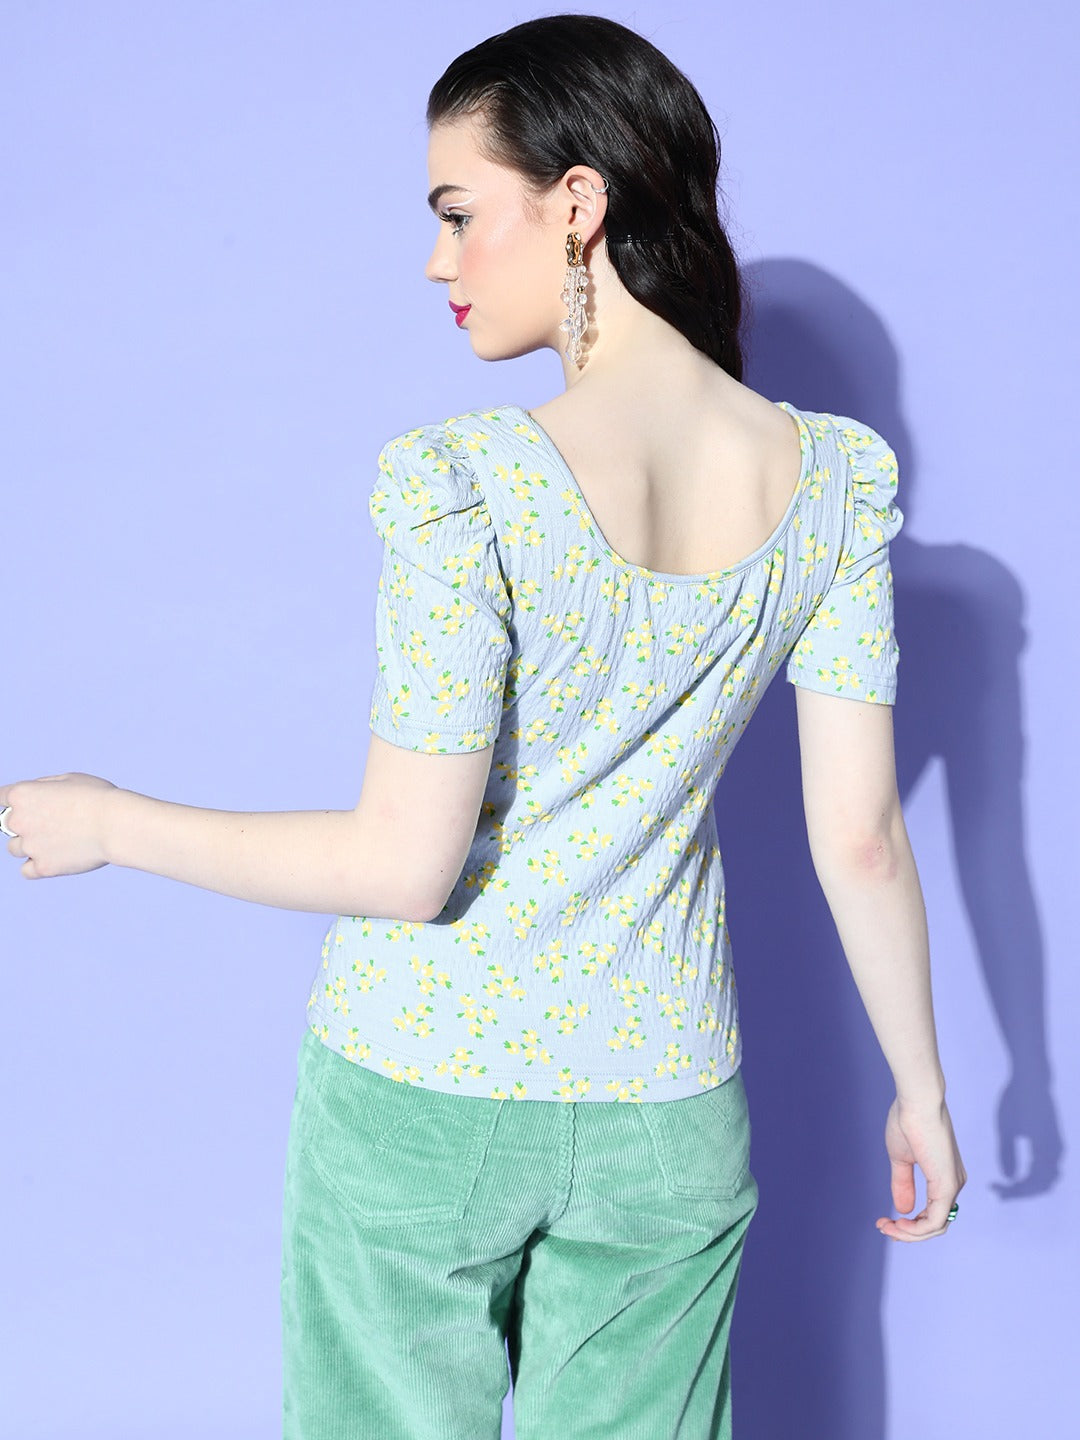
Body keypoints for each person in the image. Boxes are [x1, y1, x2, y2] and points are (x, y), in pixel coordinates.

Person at [0, 12, 966, 1440]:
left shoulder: (470, 484)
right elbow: (863, 839)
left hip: (422, 1096)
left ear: (576, 203)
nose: (437, 261)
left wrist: (110, 823)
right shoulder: (830, 485)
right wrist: (921, 1087)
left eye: (457, 214)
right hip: (666, 1111)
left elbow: (405, 867)